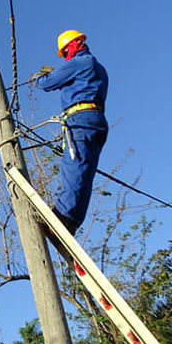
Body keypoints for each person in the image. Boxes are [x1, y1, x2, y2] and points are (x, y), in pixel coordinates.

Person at [31, 29, 109, 235]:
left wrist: (39, 78)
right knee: (85, 172)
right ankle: (73, 221)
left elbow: (47, 84)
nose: (65, 58)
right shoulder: (99, 68)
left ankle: (63, 216)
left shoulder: (79, 63)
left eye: (65, 54)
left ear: (70, 47)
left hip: (80, 120)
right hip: (97, 121)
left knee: (73, 167)